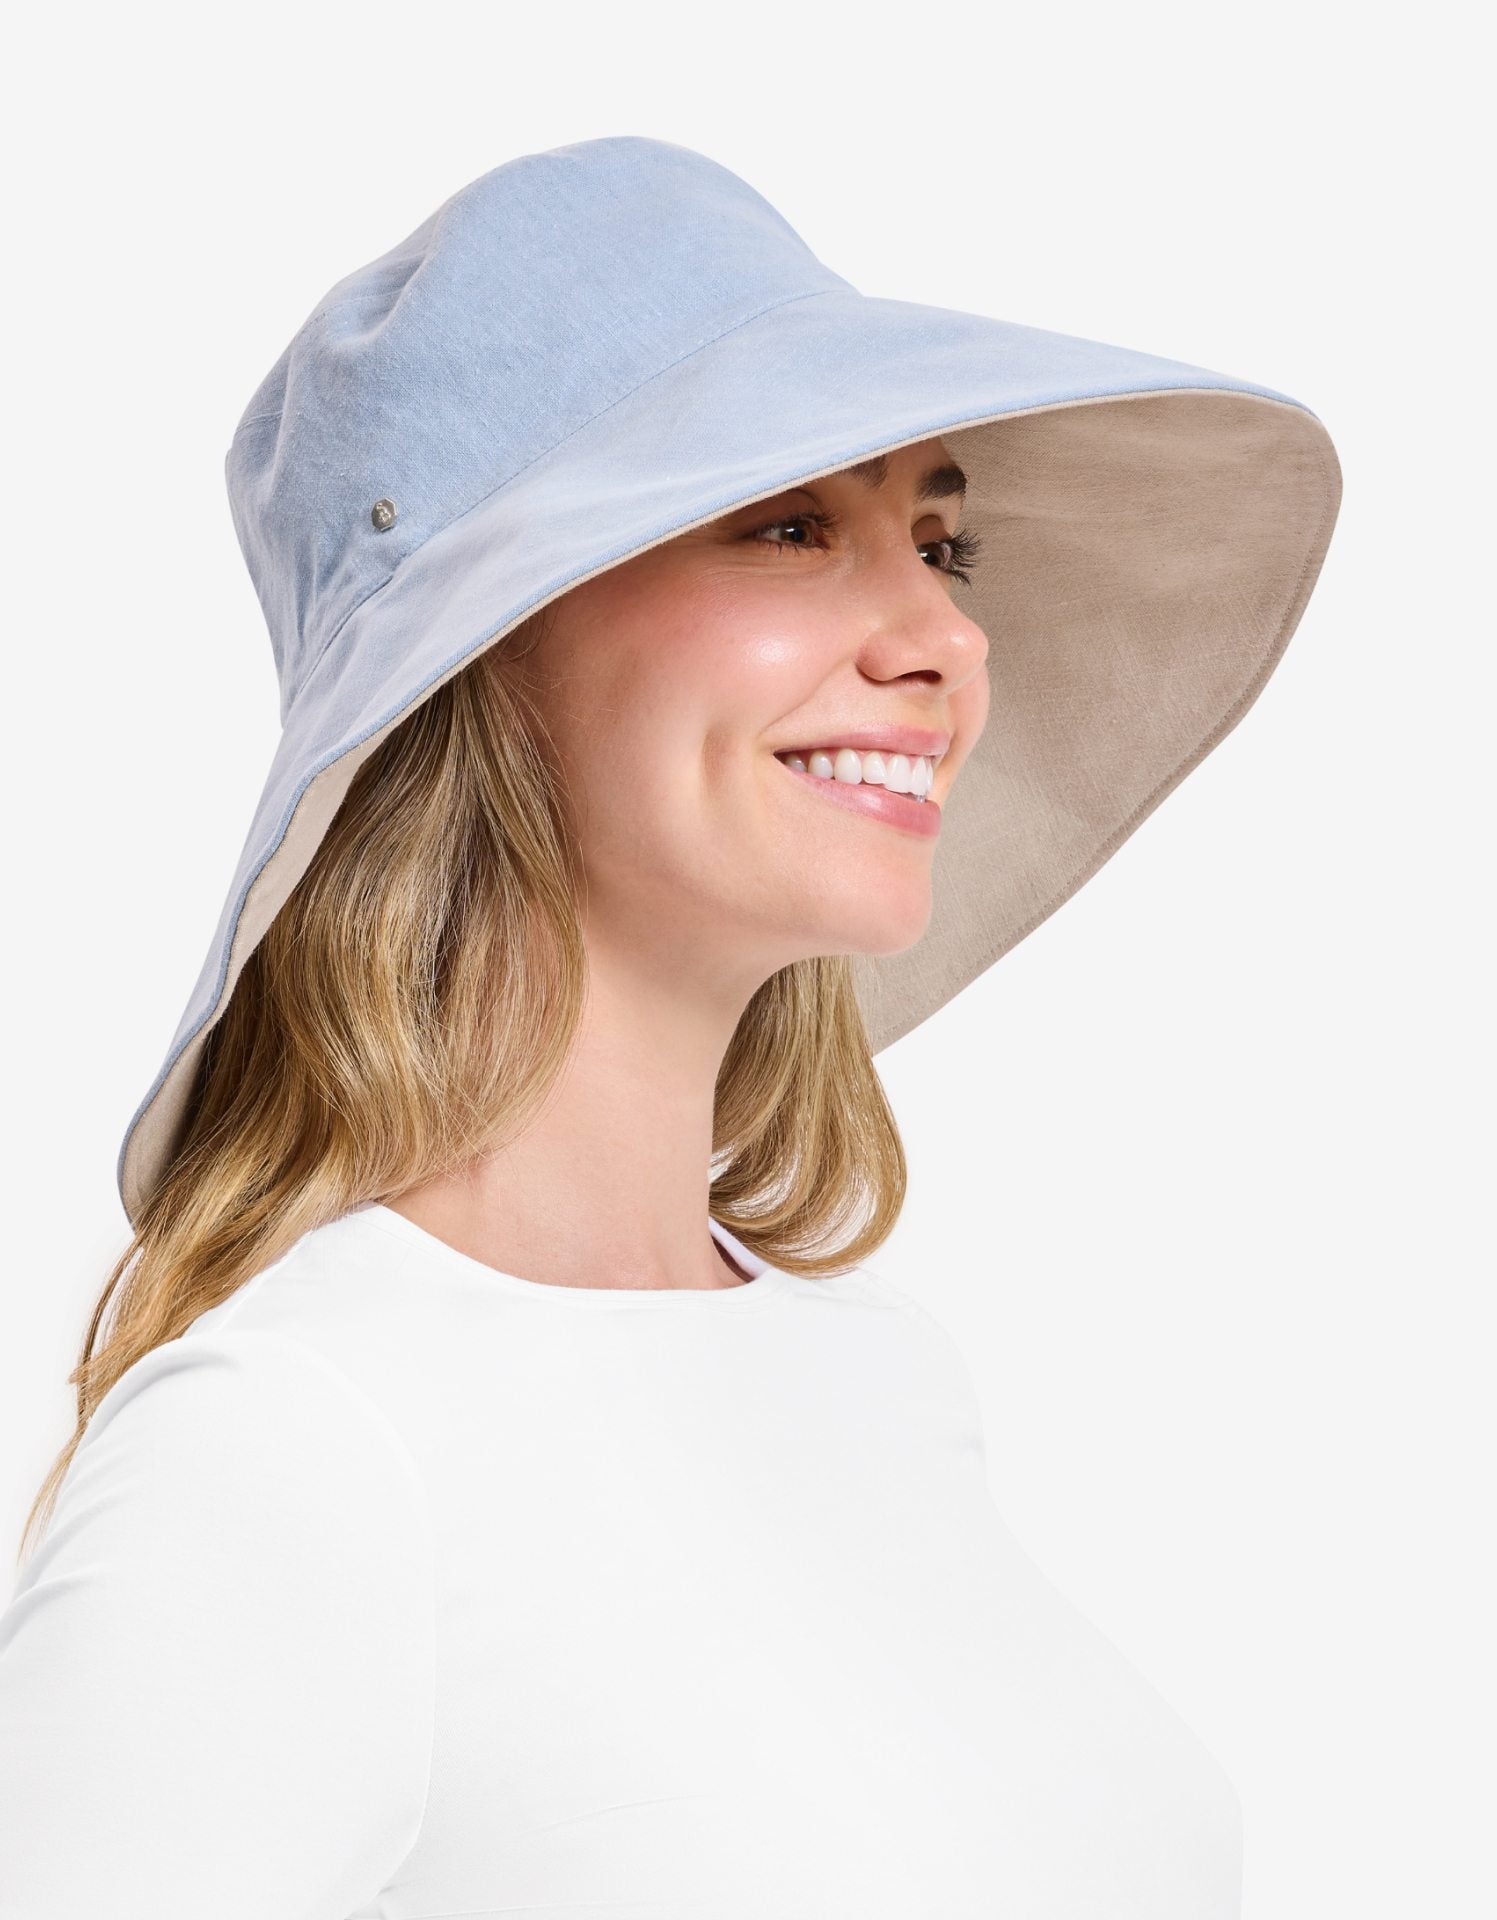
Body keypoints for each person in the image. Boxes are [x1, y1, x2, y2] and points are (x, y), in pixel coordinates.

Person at [0, 135, 1340, 1917]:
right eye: (787, 525)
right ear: (486, 651)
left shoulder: (873, 1373)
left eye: (940, 542)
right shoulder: (292, 1444)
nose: (944, 637)